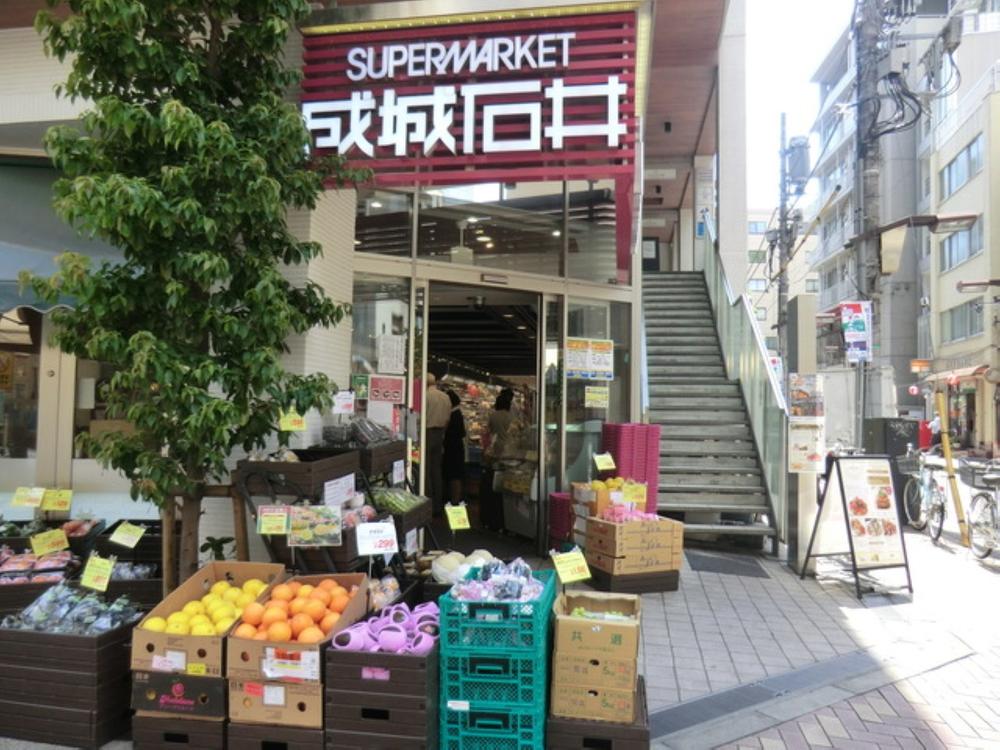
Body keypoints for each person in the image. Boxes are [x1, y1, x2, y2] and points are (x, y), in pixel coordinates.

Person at [480, 388, 514, 532]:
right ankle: (502, 517)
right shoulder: (511, 417)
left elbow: (488, 432)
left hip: (494, 451)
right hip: (509, 450)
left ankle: (490, 517)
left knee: (492, 480)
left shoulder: (493, 416)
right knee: (503, 482)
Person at [424, 373, 451, 515]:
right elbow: (448, 419)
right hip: (440, 433)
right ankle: (438, 505)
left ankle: (428, 504)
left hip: (427, 433)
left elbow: (420, 418)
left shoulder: (425, 396)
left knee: (426, 470)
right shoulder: (445, 397)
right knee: (436, 470)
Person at [442, 390, 466, 505]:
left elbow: (456, 433)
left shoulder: (454, 415)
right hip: (456, 449)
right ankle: (454, 499)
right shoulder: (457, 413)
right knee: (455, 475)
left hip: (453, 450)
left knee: (454, 476)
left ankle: (454, 500)